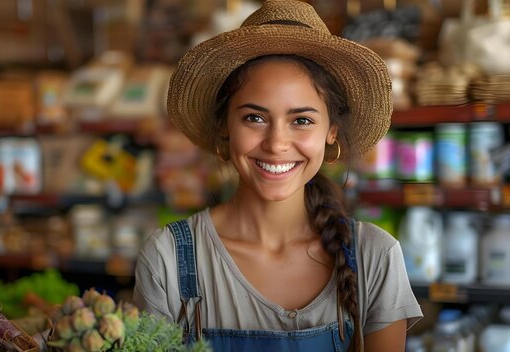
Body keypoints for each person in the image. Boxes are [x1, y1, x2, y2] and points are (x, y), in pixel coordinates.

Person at [133, 0, 423, 351]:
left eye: (301, 120)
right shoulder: (168, 259)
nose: (276, 144)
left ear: (331, 131)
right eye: (254, 118)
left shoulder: (374, 256)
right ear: (226, 126)